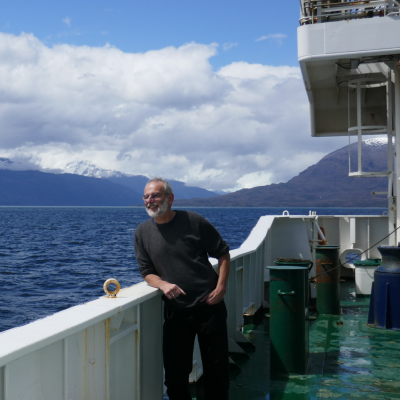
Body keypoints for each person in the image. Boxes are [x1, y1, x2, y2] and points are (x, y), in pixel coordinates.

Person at [134, 177, 230, 400]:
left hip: (210, 308)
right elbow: (147, 271)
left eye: (155, 195)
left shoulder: (193, 221)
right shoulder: (142, 232)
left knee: (217, 374)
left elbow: (223, 253)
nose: (150, 200)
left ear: (170, 198)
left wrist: (222, 287)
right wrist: (162, 284)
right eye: (146, 196)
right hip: (176, 312)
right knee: (175, 379)